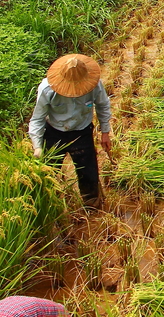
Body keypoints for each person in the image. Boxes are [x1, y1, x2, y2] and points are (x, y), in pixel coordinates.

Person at [29, 53, 112, 206]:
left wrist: (105, 133)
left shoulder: (94, 85)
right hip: (54, 133)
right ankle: (53, 208)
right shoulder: (47, 89)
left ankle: (92, 205)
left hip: (82, 132)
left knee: (88, 174)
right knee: (49, 175)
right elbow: (37, 119)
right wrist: (37, 146)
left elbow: (103, 105)